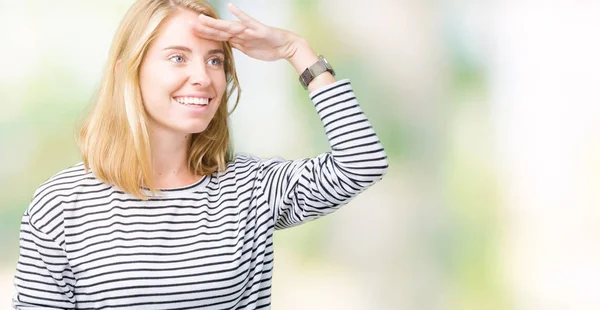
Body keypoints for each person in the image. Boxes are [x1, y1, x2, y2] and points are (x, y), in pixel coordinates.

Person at [12, 0, 388, 309]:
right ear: (129, 71)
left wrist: (298, 52)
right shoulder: (62, 204)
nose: (203, 78)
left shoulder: (249, 188)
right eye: (178, 58)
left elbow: (362, 162)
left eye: (214, 60)